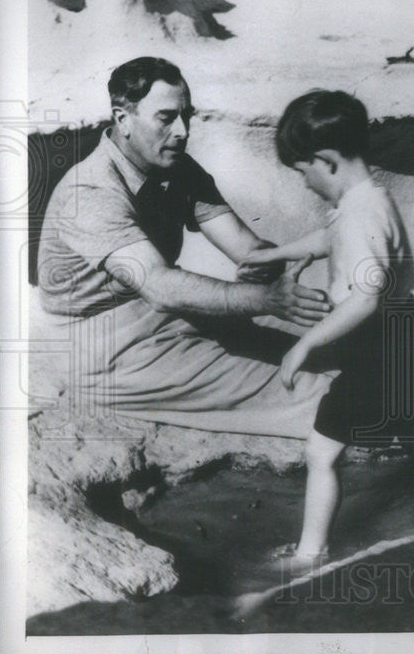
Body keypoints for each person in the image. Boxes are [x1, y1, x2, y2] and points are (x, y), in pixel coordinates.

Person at [240, 90, 414, 572]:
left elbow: (366, 297)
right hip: (404, 337)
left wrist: (306, 342)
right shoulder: (371, 199)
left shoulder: (360, 213)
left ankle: (311, 553)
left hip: (377, 346)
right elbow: (332, 238)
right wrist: (279, 253)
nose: (304, 184)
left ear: (324, 161)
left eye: (302, 172)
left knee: (321, 450)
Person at [37, 56, 333, 437]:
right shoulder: (91, 192)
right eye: (166, 118)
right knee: (313, 393)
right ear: (122, 120)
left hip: (164, 313)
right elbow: (159, 284)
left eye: (186, 115)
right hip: (104, 345)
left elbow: (247, 249)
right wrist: (265, 299)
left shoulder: (177, 167)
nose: (182, 130)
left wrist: (284, 258)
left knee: (329, 350)